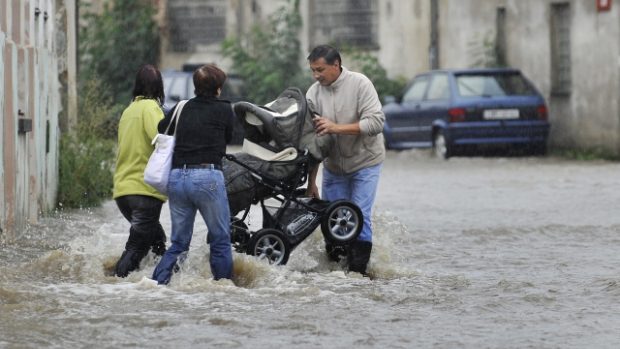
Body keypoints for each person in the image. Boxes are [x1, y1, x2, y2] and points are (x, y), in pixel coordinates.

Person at [305, 45, 385, 276]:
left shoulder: (360, 84)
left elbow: (376, 123)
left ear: (336, 65)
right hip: (333, 166)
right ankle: (337, 277)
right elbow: (314, 143)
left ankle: (358, 276)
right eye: (312, 70)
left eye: (320, 69)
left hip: (365, 161)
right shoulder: (313, 93)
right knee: (334, 220)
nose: (316, 75)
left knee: (359, 215)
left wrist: (335, 127)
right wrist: (312, 182)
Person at [152, 64, 234, 285]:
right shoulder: (225, 109)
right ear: (218, 88)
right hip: (207, 177)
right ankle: (224, 288)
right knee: (220, 240)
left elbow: (162, 128)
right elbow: (229, 137)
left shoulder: (181, 107)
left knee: (178, 243)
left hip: (177, 178)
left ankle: (156, 284)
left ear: (195, 86)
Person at [113, 64, 168, 277]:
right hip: (144, 192)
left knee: (156, 242)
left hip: (123, 192)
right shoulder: (151, 108)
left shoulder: (128, 111)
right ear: (159, 87)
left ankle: (155, 284)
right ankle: (115, 283)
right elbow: (161, 142)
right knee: (136, 246)